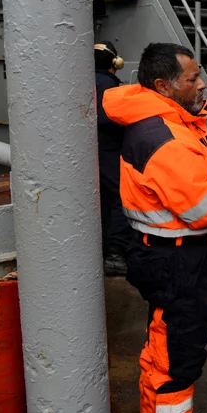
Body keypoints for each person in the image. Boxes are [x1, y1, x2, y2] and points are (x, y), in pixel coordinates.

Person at [103, 42, 207, 413]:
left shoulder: (166, 123)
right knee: (174, 367)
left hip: (171, 257)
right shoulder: (164, 137)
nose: (202, 85)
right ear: (164, 86)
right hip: (178, 263)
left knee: (168, 352)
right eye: (193, 78)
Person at [94, 41, 131, 276]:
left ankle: (103, 248)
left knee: (104, 200)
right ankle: (116, 255)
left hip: (92, 151)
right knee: (121, 197)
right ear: (115, 62)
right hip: (109, 150)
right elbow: (108, 119)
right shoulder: (109, 85)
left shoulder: (86, 81)